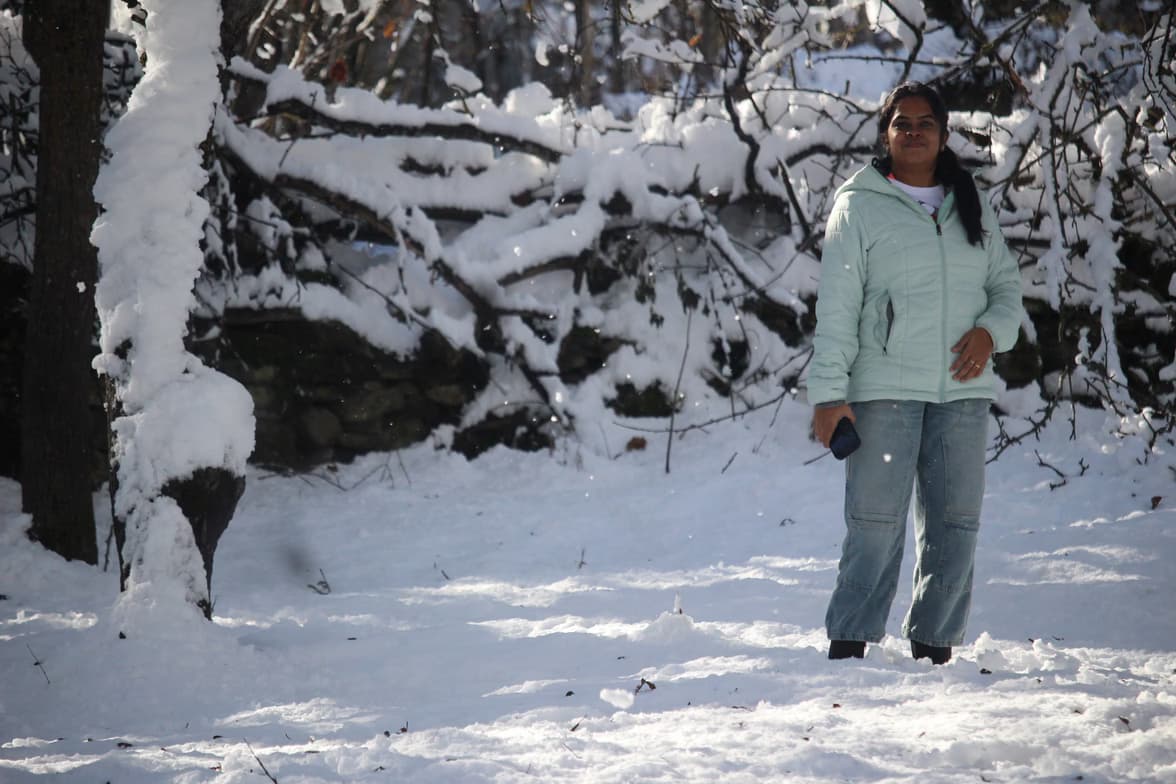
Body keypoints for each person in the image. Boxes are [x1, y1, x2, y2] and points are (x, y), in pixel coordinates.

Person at [807, 81, 1024, 665]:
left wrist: (990, 333)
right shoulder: (859, 205)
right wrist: (829, 395)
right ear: (887, 134)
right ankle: (849, 646)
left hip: (962, 391)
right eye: (901, 123)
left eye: (925, 122)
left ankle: (935, 650)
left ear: (943, 133)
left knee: (957, 523)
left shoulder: (967, 201)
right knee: (875, 523)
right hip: (883, 389)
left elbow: (1006, 289)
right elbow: (837, 308)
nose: (913, 132)